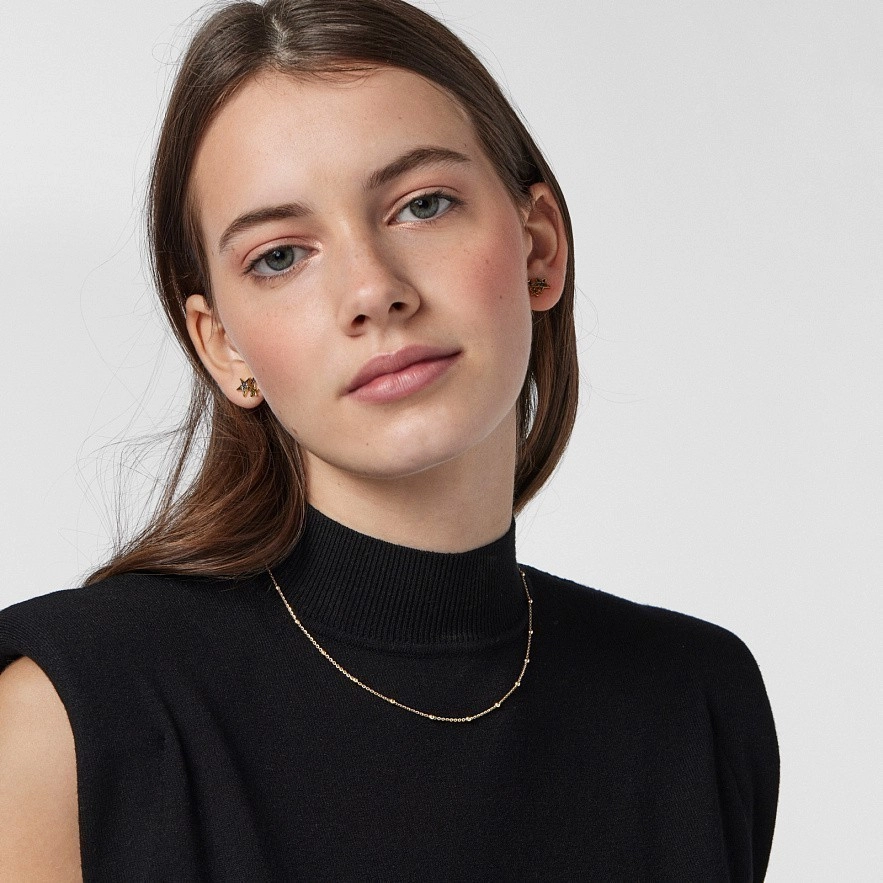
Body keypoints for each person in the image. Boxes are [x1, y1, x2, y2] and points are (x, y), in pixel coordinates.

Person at [0, 0, 779, 879]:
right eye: (280, 255)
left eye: (422, 204)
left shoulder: (693, 705)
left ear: (538, 246)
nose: (373, 290)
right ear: (223, 348)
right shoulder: (66, 722)